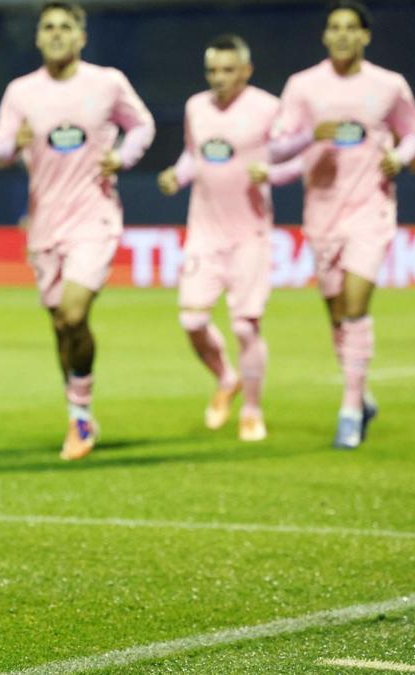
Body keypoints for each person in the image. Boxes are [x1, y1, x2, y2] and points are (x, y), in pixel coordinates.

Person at [0, 1, 155, 460]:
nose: (57, 34)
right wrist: (10, 145)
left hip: (94, 217)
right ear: (38, 38)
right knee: (61, 325)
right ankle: (78, 413)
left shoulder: (107, 83)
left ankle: (80, 416)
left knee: (74, 314)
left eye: (66, 27)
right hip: (44, 225)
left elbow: (142, 125)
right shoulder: (21, 91)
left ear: (81, 37)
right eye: (48, 28)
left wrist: (123, 156)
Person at [271, 0, 415, 449]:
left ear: (365, 36)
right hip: (321, 213)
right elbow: (277, 148)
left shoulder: (388, 85)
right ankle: (363, 392)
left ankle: (350, 410)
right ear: (325, 36)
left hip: (371, 211)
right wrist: (309, 136)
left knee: (356, 306)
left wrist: (399, 157)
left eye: (350, 28)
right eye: (334, 27)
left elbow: (414, 132)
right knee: (337, 313)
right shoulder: (303, 87)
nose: (341, 35)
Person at [156, 34, 301, 442]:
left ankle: (252, 410)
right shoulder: (196, 107)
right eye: (213, 71)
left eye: (227, 70)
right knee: (192, 319)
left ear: (246, 71)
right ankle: (226, 378)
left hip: (250, 234)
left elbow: (299, 150)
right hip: (204, 232)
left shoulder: (269, 108)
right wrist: (177, 175)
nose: (219, 78)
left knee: (244, 327)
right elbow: (193, 154)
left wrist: (272, 173)